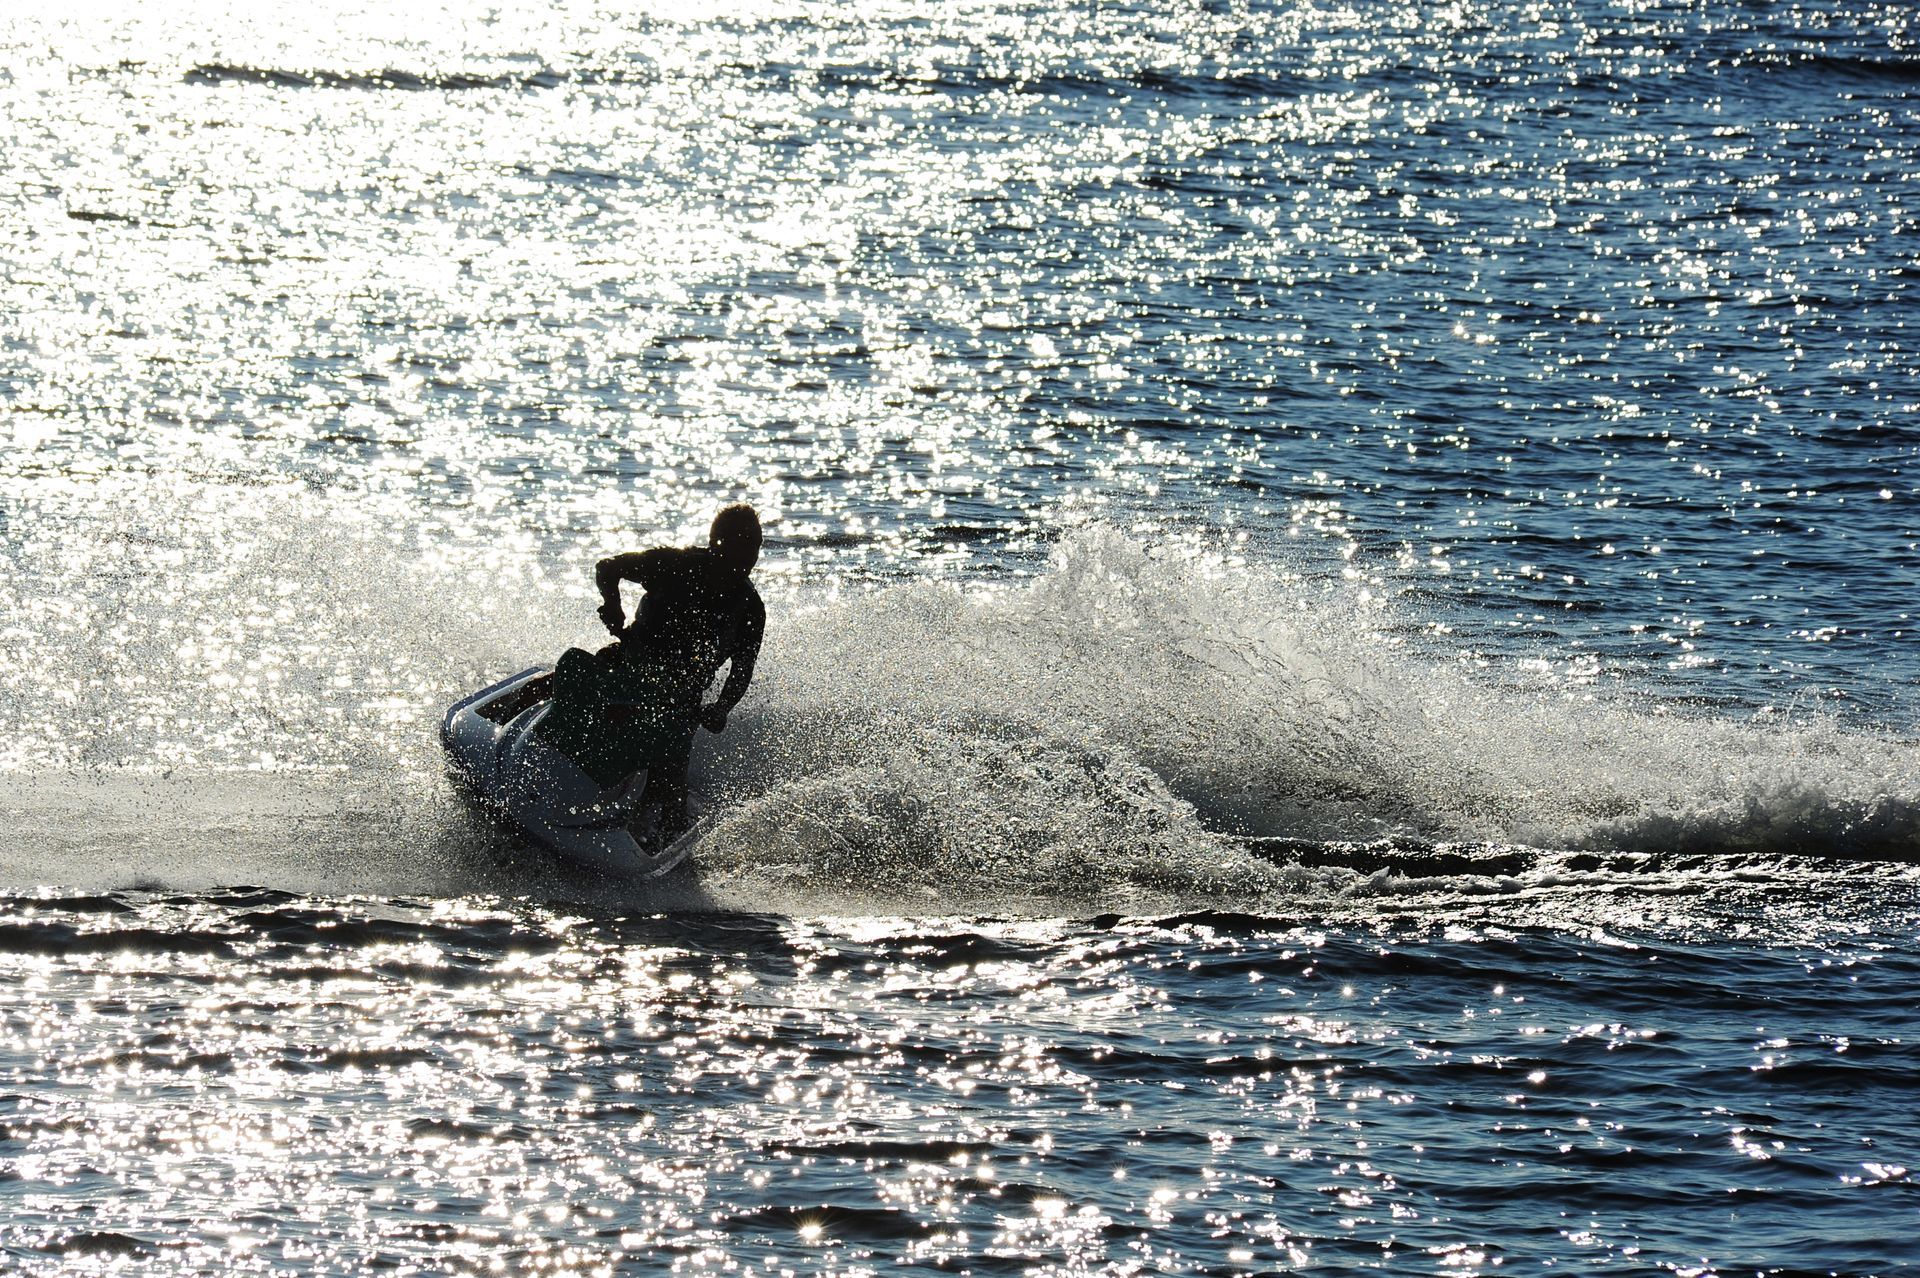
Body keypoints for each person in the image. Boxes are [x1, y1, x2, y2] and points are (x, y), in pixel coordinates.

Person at [531, 504, 766, 838]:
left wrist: (721, 708)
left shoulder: (751, 609)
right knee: (563, 674)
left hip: (676, 703)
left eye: (755, 546)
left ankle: (668, 846)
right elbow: (608, 568)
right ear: (717, 542)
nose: (749, 556)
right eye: (741, 544)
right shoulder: (676, 563)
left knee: (669, 788)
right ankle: (503, 730)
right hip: (627, 664)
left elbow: (743, 670)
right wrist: (613, 604)